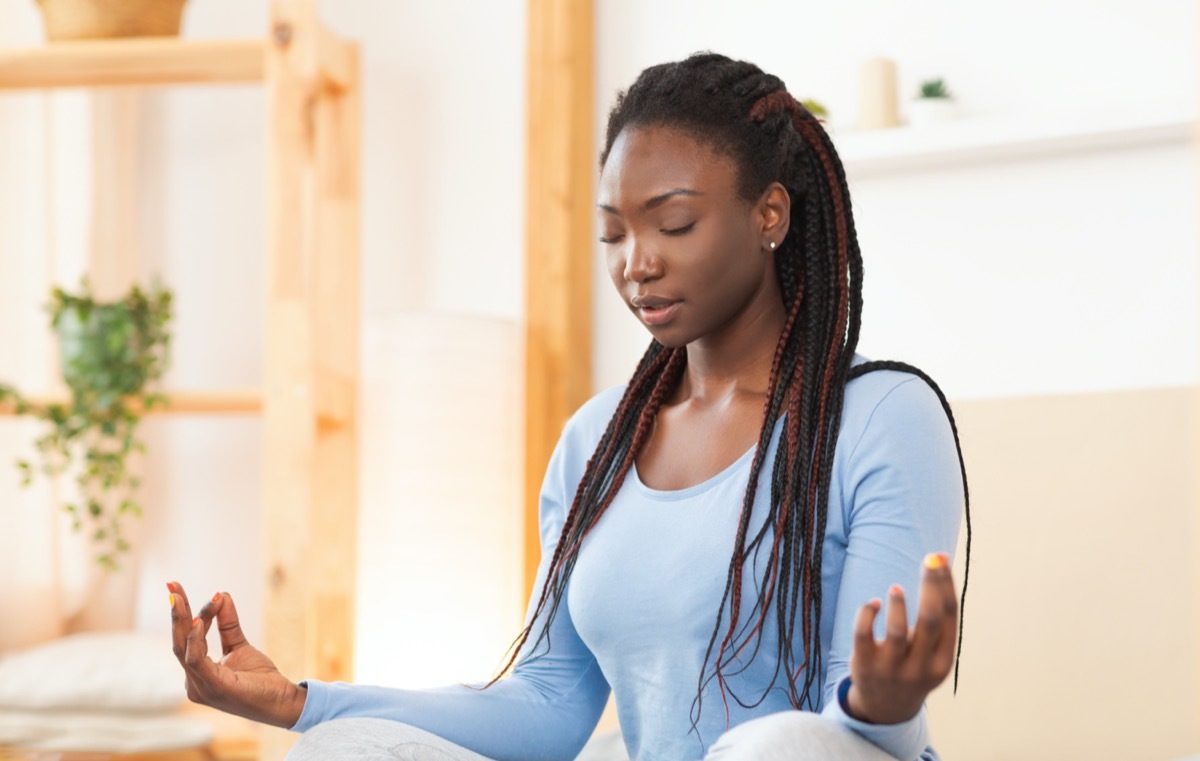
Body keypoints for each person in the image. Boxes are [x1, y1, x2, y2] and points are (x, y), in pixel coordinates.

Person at [168, 52, 970, 761]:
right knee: (343, 750)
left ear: (770, 214)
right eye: (613, 234)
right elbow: (546, 703)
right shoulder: (597, 442)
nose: (637, 263)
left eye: (674, 223)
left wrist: (879, 704)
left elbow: (858, 728)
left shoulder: (881, 416)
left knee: (780, 746)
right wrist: (302, 702)